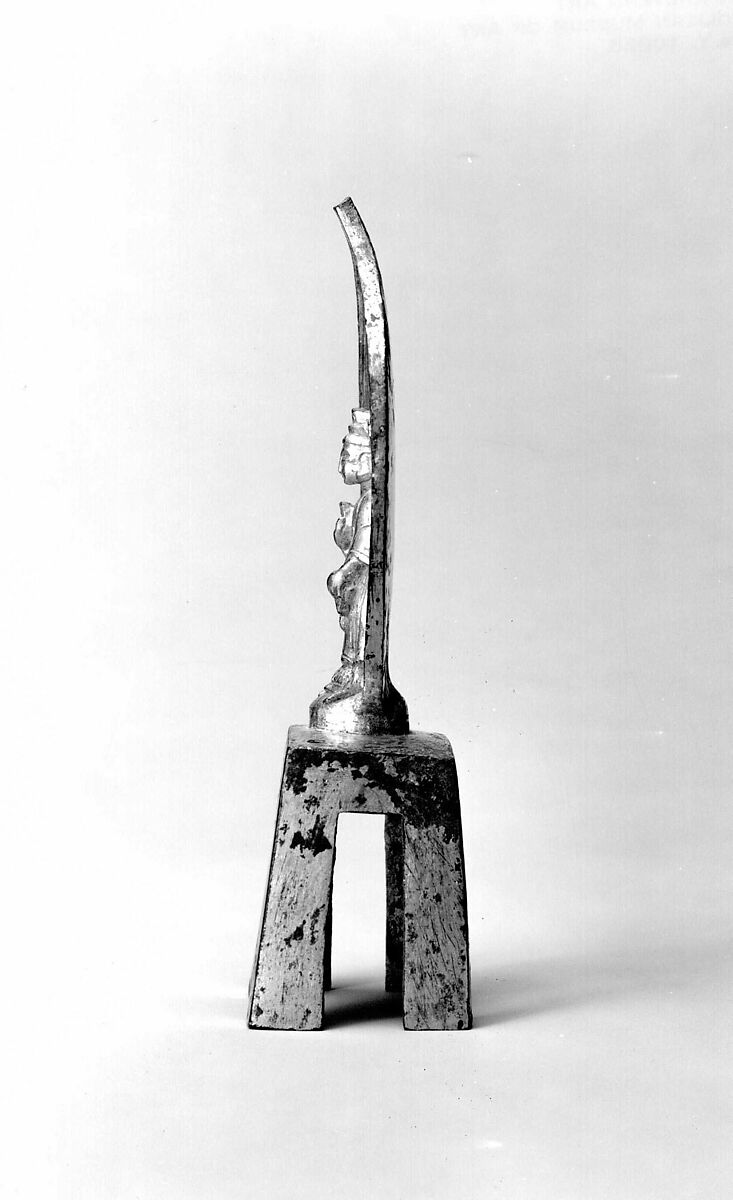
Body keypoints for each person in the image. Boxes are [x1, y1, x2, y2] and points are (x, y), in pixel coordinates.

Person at [324, 408, 371, 694]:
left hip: (362, 583)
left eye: (348, 458)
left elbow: (362, 559)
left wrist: (340, 575)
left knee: (358, 616)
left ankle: (355, 668)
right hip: (358, 580)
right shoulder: (364, 501)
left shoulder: (370, 503)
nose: (342, 466)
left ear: (366, 461)